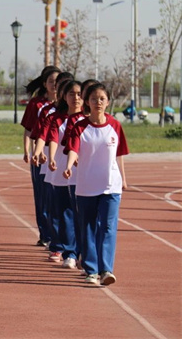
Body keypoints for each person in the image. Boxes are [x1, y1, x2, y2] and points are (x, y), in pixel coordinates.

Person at [63, 83, 128, 286]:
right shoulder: (80, 127)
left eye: (101, 98)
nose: (98, 102)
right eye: (93, 98)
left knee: (108, 227)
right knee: (88, 227)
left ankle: (106, 269)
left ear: (107, 101)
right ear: (87, 102)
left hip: (111, 186)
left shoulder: (115, 125)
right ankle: (91, 270)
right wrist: (68, 165)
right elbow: (73, 149)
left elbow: (119, 154)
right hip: (87, 186)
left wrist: (124, 178)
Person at [20, 66, 61, 247]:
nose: (54, 85)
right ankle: (45, 233)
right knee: (42, 195)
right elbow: (29, 129)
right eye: (51, 81)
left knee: (57, 196)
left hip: (59, 155)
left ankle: (59, 234)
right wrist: (27, 151)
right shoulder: (37, 104)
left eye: (57, 82)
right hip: (40, 154)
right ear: (44, 84)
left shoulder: (65, 105)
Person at [46, 80, 82, 269]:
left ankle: (82, 251)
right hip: (61, 172)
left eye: (79, 94)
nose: (76, 98)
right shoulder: (57, 119)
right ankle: (70, 252)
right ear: (64, 97)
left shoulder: (87, 120)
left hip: (83, 175)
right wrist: (51, 157)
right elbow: (52, 138)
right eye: (71, 94)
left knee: (80, 215)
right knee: (64, 215)